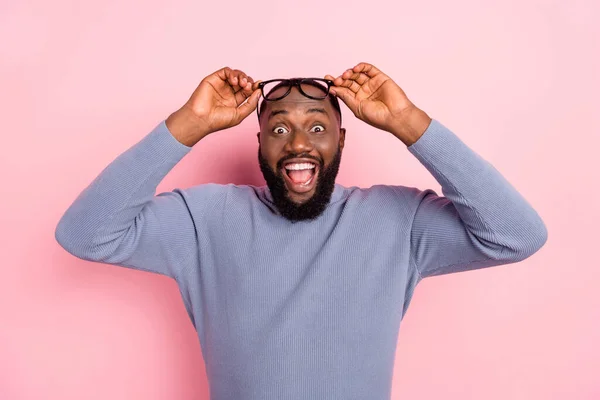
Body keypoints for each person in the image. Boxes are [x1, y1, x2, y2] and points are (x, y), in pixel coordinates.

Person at [55, 62, 548, 400]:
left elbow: (516, 235)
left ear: (341, 138)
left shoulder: (399, 220)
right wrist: (190, 124)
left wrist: (407, 122)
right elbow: (85, 234)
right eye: (278, 128)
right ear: (259, 143)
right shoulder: (204, 219)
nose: (297, 143)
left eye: (317, 127)